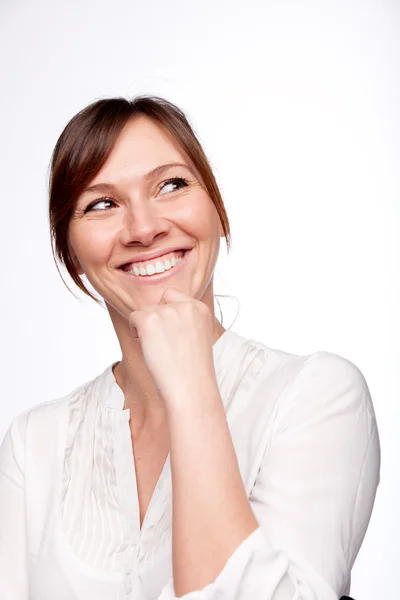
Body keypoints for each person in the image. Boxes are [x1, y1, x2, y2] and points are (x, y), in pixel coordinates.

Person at [0, 95, 380, 600]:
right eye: (103, 203)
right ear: (71, 252)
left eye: (171, 185)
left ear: (216, 210)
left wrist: (191, 385)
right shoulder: (35, 444)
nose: (144, 228)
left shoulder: (317, 397)